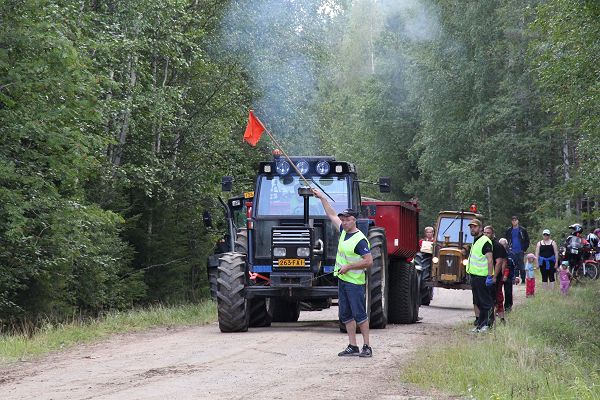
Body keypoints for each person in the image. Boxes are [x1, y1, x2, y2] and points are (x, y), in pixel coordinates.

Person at [312, 188, 374, 357]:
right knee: (346, 314)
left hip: (354, 282)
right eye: (343, 219)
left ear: (355, 220)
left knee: (360, 314)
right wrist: (322, 198)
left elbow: (369, 261)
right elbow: (331, 214)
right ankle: (352, 345)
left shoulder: (360, 239)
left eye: (348, 220)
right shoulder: (343, 232)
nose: (344, 222)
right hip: (343, 280)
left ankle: (367, 346)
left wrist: (348, 267)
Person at [466, 219, 494, 332]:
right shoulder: (476, 241)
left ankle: (487, 324)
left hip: (482, 277)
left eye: (475, 227)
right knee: (478, 302)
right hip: (474, 276)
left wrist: (489, 276)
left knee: (485, 301)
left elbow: (490, 260)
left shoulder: (485, 241)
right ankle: (480, 325)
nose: (472, 229)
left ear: (480, 228)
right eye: (471, 227)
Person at [484, 226, 507, 324]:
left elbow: (501, 262)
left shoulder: (497, 246)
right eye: (484, 232)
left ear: (493, 234)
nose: (486, 234)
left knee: (496, 298)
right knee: (486, 298)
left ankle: (499, 319)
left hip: (494, 277)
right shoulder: (484, 244)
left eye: (488, 233)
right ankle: (486, 319)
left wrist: (495, 277)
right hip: (484, 275)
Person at [505, 216, 530, 284]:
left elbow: (527, 240)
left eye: (515, 220)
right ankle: (514, 280)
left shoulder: (522, 230)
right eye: (513, 220)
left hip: (520, 250)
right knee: (513, 265)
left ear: (518, 221)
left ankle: (523, 280)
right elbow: (506, 241)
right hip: (512, 250)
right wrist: (508, 249)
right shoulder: (509, 230)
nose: (514, 221)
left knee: (521, 265)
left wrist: (524, 249)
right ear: (511, 221)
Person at [499, 238, 514, 312]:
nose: (502, 246)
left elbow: (513, 265)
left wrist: (514, 276)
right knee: (498, 292)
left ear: (506, 245)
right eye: (501, 244)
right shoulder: (497, 252)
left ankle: (508, 307)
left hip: (509, 275)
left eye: (504, 244)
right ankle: (498, 307)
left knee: (508, 291)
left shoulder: (510, 254)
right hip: (499, 274)